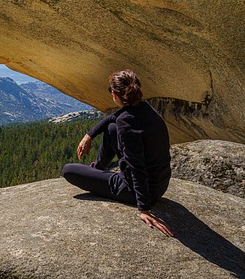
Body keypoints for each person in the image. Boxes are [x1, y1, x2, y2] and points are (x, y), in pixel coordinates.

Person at [61, 69, 174, 237]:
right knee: (111, 128)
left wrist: (144, 208)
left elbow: (137, 167)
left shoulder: (126, 124)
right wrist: (89, 135)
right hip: (159, 183)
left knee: (68, 171)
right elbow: (113, 118)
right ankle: (98, 169)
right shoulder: (144, 108)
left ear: (114, 95)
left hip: (138, 190)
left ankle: (97, 172)